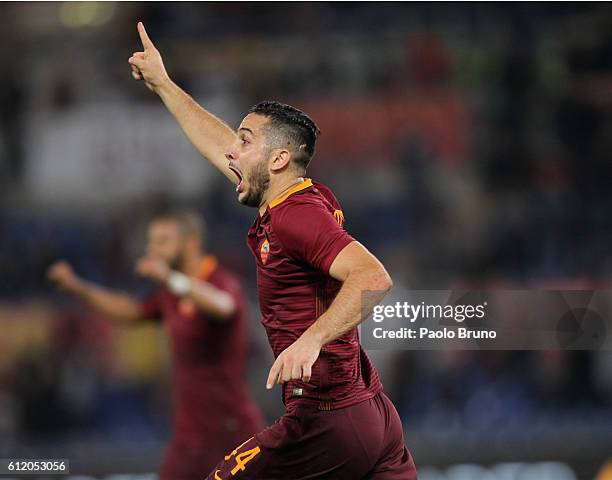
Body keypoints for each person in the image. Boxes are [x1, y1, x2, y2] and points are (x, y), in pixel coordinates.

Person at [128, 22, 418, 480]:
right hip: (372, 414)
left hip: (325, 421)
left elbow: (372, 276)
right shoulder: (296, 198)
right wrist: (164, 84)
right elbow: (215, 143)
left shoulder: (293, 217)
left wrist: (311, 339)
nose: (231, 152)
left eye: (245, 141)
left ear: (278, 159)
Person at [47, 210, 264, 480]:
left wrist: (169, 279)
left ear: (191, 242)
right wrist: (77, 287)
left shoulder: (220, 281)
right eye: (152, 241)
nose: (152, 249)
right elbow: (132, 312)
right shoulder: (169, 294)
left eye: (162, 241)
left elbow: (224, 306)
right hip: (189, 436)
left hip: (231, 431)